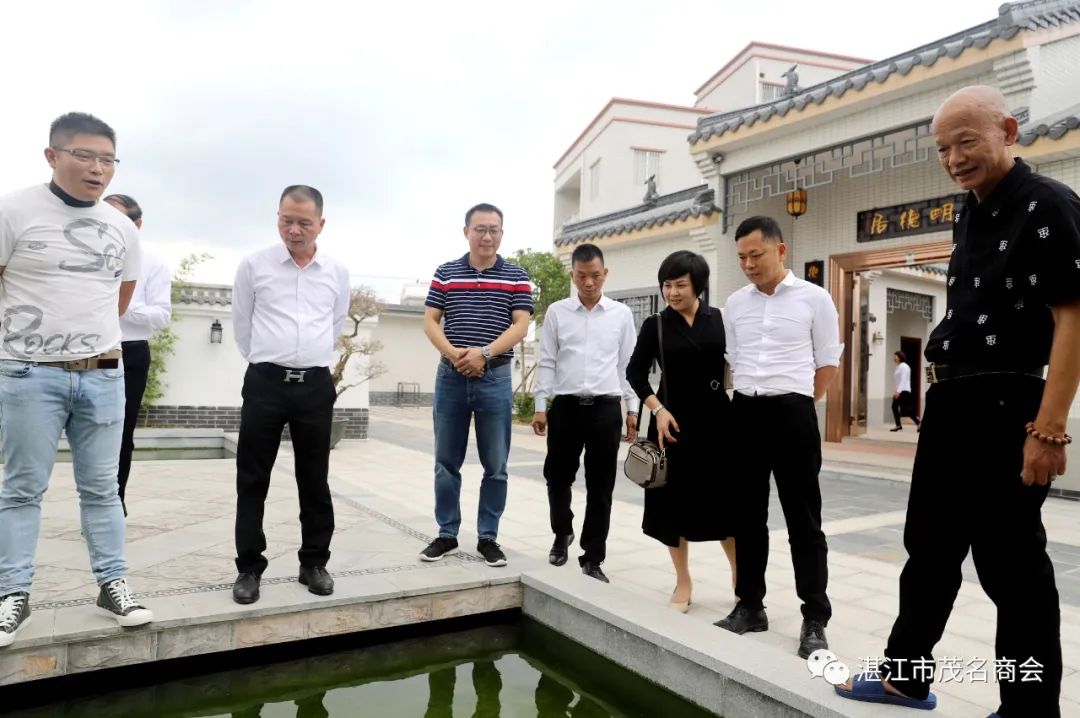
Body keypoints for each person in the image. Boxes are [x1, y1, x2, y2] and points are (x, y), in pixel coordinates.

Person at [837, 85, 1079, 717]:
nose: (953, 158)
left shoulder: (1050, 204)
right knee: (930, 545)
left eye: (966, 141)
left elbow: (1073, 318)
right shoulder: (969, 210)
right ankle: (905, 676)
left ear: (1008, 130)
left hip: (1010, 402)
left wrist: (1049, 428)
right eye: (943, 147)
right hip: (953, 401)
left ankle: (1029, 709)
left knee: (1010, 561)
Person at [0, 112, 153, 648]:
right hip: (27, 375)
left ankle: (113, 585)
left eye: (107, 159)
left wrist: (88, 343)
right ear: (52, 156)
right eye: (84, 156)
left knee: (102, 489)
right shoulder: (13, 210)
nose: (97, 168)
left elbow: (119, 298)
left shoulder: (119, 227)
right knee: (21, 489)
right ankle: (11, 594)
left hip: (102, 376)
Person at [715, 215, 841, 659]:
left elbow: (827, 361)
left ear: (780, 251)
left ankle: (814, 617)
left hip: (793, 411)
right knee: (746, 517)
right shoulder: (735, 303)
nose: (749, 264)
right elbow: (734, 357)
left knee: (803, 519)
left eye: (757, 255)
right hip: (745, 411)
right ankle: (750, 606)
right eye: (742, 257)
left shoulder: (815, 298)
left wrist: (801, 401)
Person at [230, 185, 351, 605]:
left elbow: (336, 322)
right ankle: (249, 568)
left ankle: (313, 563)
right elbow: (242, 324)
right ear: (277, 217)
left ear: (321, 223)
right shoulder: (254, 265)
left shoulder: (335, 271)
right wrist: (270, 361)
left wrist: (306, 358)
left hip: (315, 386)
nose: (294, 229)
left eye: (303, 222)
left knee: (314, 479)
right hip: (265, 382)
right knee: (252, 477)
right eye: (286, 220)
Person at [419, 203, 533, 567]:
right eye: (480, 229)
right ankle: (446, 534)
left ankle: (488, 538)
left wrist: (483, 353)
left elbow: (520, 325)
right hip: (451, 376)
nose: (487, 236)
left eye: (494, 230)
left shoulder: (516, 275)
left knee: (496, 464)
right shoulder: (446, 272)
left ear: (502, 234)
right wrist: (456, 355)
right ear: (466, 231)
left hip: (495, 376)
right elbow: (431, 321)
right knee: (445, 461)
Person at [625, 250, 737, 612]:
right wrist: (656, 409)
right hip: (670, 426)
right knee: (672, 507)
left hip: (719, 424)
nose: (672, 292)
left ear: (699, 286)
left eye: (680, 285)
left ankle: (740, 578)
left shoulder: (722, 320)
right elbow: (635, 374)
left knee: (727, 506)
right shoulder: (655, 325)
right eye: (667, 284)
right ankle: (683, 581)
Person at [532, 243, 639, 583]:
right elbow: (547, 360)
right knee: (557, 477)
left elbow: (627, 366)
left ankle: (593, 556)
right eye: (582, 276)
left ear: (605, 274)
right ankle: (562, 533)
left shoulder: (621, 315)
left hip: (606, 408)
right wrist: (540, 405)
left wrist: (632, 407)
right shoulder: (557, 313)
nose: (589, 283)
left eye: (595, 276)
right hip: (565, 407)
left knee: (601, 485)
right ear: (572, 275)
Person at [103, 194, 172, 515]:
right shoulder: (84, 255)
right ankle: (92, 499)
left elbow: (160, 316)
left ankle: (114, 502)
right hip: (87, 348)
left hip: (129, 353)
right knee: (87, 432)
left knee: (122, 430)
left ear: (137, 225)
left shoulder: (153, 263)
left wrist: (122, 301)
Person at [889, 350, 921, 432]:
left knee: (906, 410)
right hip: (901, 390)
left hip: (904, 391)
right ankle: (899, 425)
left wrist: (898, 391)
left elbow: (903, 380)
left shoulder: (904, 367)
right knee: (895, 407)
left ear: (900, 357)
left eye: (896, 356)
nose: (894, 358)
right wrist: (896, 391)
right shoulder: (898, 367)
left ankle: (918, 423)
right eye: (894, 356)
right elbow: (898, 381)